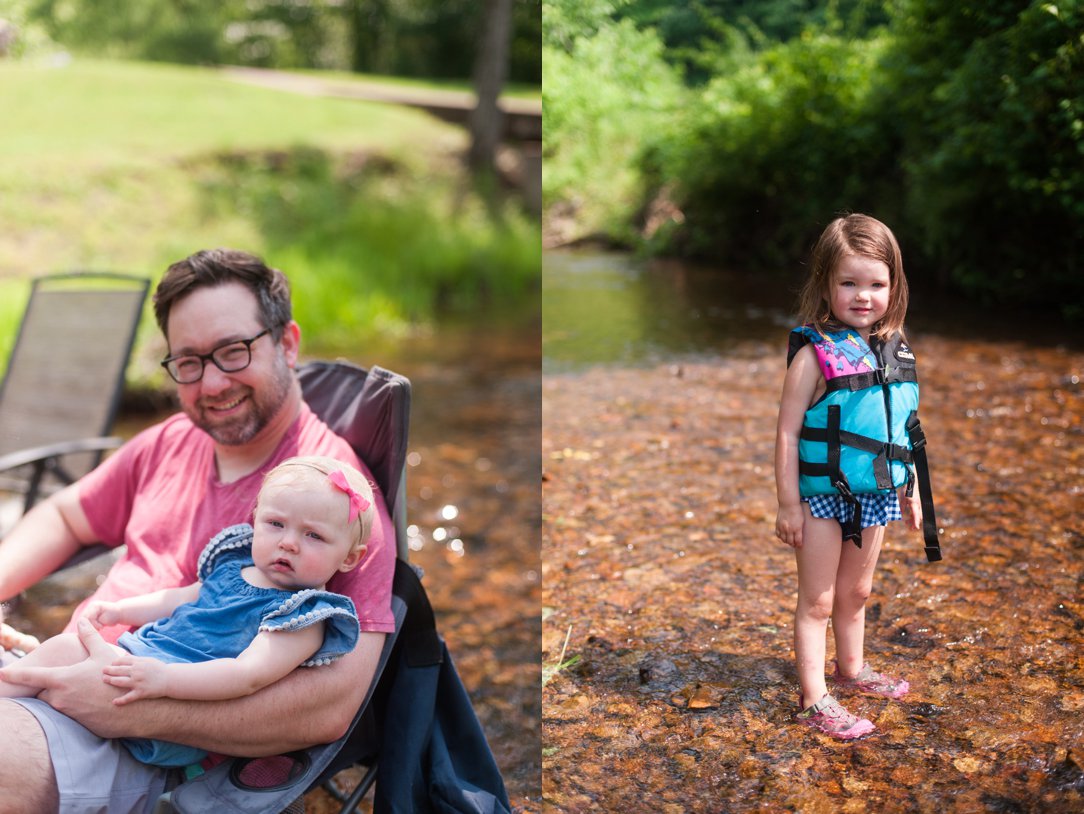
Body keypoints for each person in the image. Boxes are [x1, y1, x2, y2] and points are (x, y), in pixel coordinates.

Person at [0, 249, 395, 813]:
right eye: (188, 362)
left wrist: (122, 705)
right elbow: (65, 514)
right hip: (64, 672)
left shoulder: (334, 506)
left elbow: (331, 707)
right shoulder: (170, 442)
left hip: (143, 743)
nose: (211, 383)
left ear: (287, 344)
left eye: (233, 352)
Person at [0, 456, 376, 770]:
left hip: (173, 709)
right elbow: (177, 599)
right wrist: (118, 611)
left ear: (349, 557)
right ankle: (11, 694)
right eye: (275, 524)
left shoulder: (301, 615)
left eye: (313, 536)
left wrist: (164, 680)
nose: (288, 542)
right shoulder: (236, 566)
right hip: (143, 663)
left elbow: (246, 676)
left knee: (62, 667)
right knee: (63, 651)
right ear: (256, 518)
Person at [774, 214, 929, 740]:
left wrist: (912, 491)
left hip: (878, 493)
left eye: (876, 284)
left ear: (894, 286)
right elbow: (788, 433)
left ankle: (852, 668)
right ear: (825, 285)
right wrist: (787, 504)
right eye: (849, 283)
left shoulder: (895, 348)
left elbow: (904, 426)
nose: (863, 296)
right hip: (821, 496)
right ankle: (814, 698)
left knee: (858, 591)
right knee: (817, 599)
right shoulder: (813, 356)